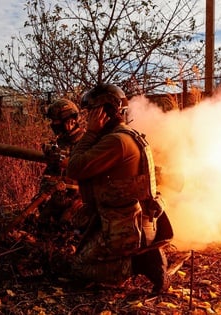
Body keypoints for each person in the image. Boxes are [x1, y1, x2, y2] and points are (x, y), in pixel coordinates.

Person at [65, 83, 174, 295]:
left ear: (102, 112)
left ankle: (141, 263)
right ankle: (139, 256)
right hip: (134, 223)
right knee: (83, 248)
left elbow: (75, 168)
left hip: (126, 229)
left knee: (79, 267)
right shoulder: (128, 135)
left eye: (90, 113)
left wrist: (90, 133)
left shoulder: (115, 141)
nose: (87, 119)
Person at [37, 99, 86, 229]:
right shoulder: (61, 142)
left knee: (65, 226)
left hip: (80, 200)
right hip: (59, 197)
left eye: (56, 121)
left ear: (71, 121)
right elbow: (50, 174)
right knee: (42, 222)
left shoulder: (87, 143)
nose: (53, 124)